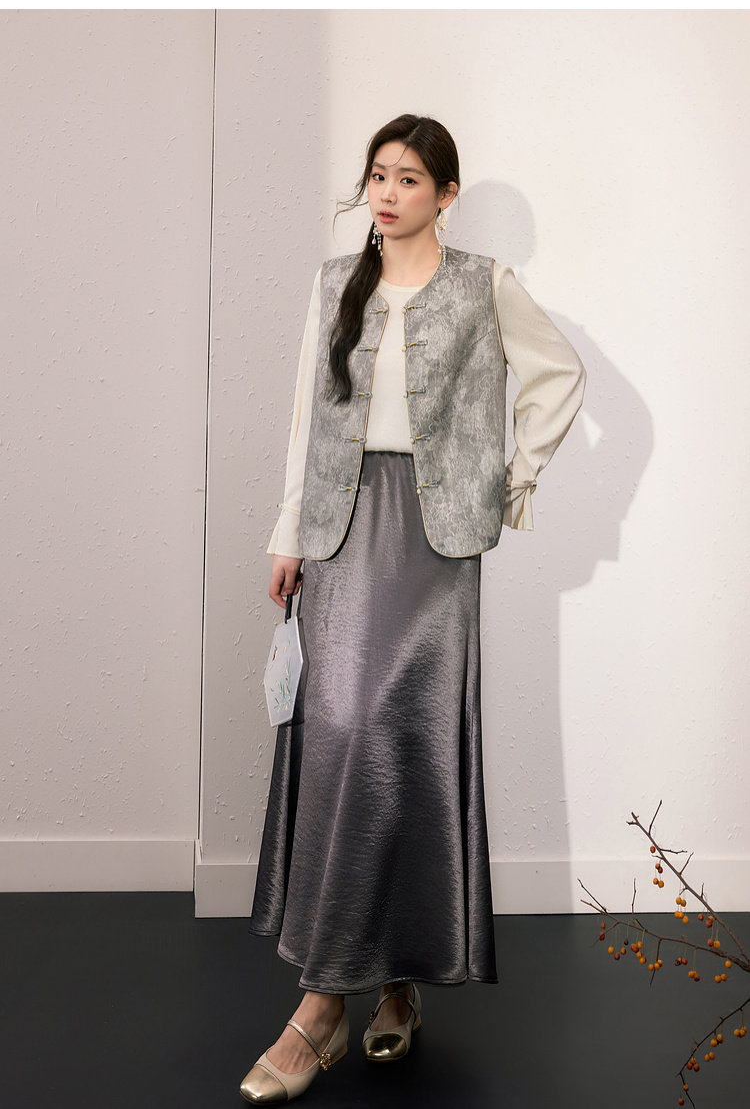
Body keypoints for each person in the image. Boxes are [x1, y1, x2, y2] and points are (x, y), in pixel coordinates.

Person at [240, 114, 586, 1104]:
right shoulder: (332, 284)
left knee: (408, 745)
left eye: (408, 179)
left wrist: (511, 480)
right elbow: (307, 415)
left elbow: (560, 374)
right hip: (340, 528)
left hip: (435, 543)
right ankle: (347, 993)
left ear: (446, 194)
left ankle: (357, 996)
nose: (387, 194)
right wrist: (287, 531)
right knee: (343, 734)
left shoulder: (484, 283)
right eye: (379, 176)